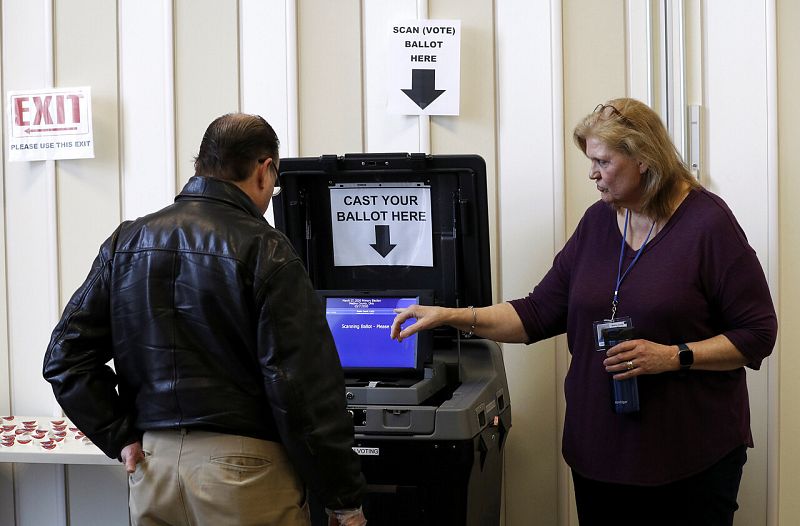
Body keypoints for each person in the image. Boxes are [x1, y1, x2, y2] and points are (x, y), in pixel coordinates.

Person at [391, 98, 777, 526]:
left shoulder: (708, 224)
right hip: (600, 454)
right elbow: (536, 313)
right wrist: (453, 316)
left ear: (644, 159)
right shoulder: (596, 223)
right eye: (590, 160)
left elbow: (758, 332)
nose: (592, 173)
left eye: (603, 161)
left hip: (689, 459)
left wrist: (672, 356)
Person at [43, 113, 367, 526]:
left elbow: (64, 357)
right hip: (246, 477)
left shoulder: (127, 242)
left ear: (200, 166)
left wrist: (120, 434)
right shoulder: (267, 250)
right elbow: (301, 390)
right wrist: (344, 499)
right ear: (265, 171)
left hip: (152, 470)